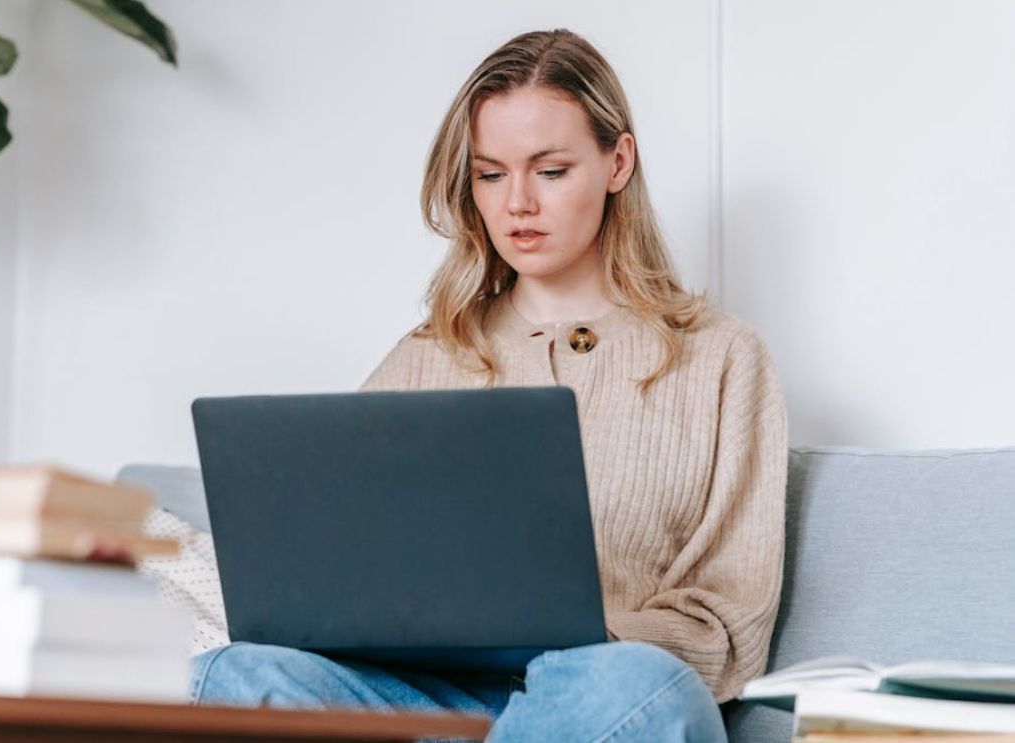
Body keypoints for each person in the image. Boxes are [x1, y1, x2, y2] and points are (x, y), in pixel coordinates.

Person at [185, 28, 788, 742]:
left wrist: (588, 635)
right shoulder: (423, 357)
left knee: (642, 686)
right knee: (228, 673)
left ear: (616, 161)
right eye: (490, 174)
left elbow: (727, 619)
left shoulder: (720, 357)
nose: (517, 204)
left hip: (595, 697)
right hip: (423, 701)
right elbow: (339, 571)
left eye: (551, 170)